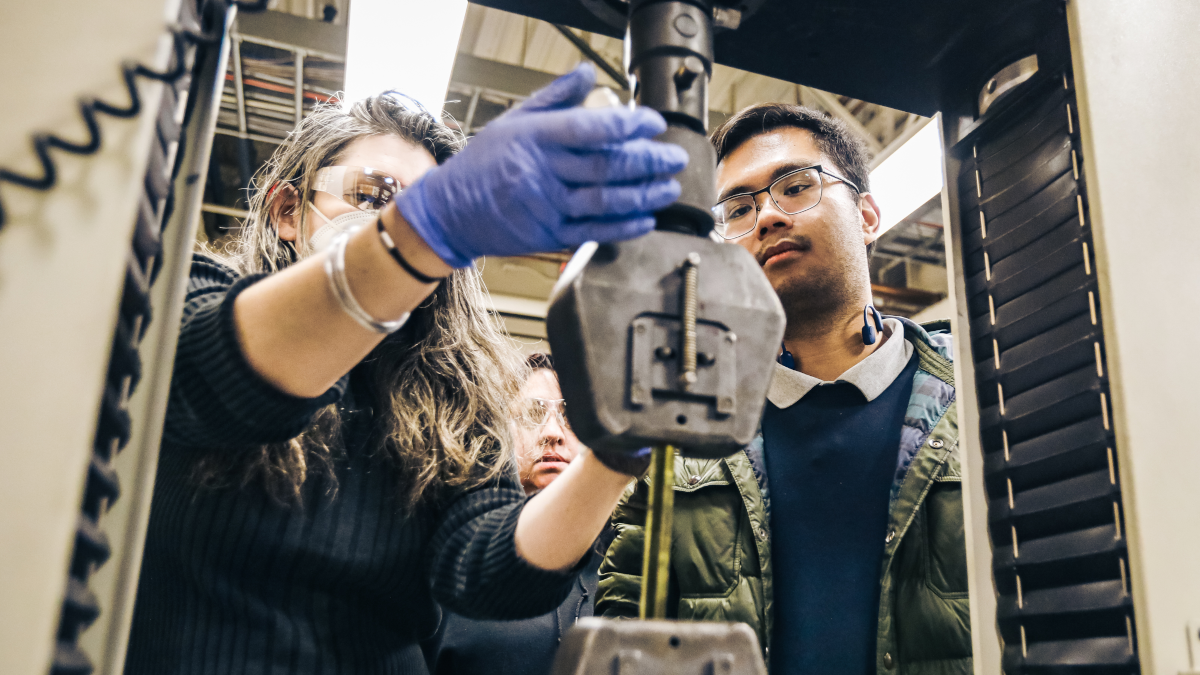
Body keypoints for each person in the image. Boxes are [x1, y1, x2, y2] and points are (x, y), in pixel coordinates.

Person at [124, 64, 684, 675]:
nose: (399, 220)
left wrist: (616, 451)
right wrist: (430, 225)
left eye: (421, 205)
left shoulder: (454, 393)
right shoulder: (192, 294)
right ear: (287, 209)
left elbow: (489, 575)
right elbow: (222, 375)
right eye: (373, 195)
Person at [597, 103, 968, 675]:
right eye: (739, 209)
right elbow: (626, 630)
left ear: (868, 216)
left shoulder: (979, 393)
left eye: (796, 187)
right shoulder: (680, 434)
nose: (767, 216)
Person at [426, 353, 607, 675]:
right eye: (531, 414)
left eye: (572, 416)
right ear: (499, 431)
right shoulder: (457, 556)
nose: (552, 432)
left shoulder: (628, 553)